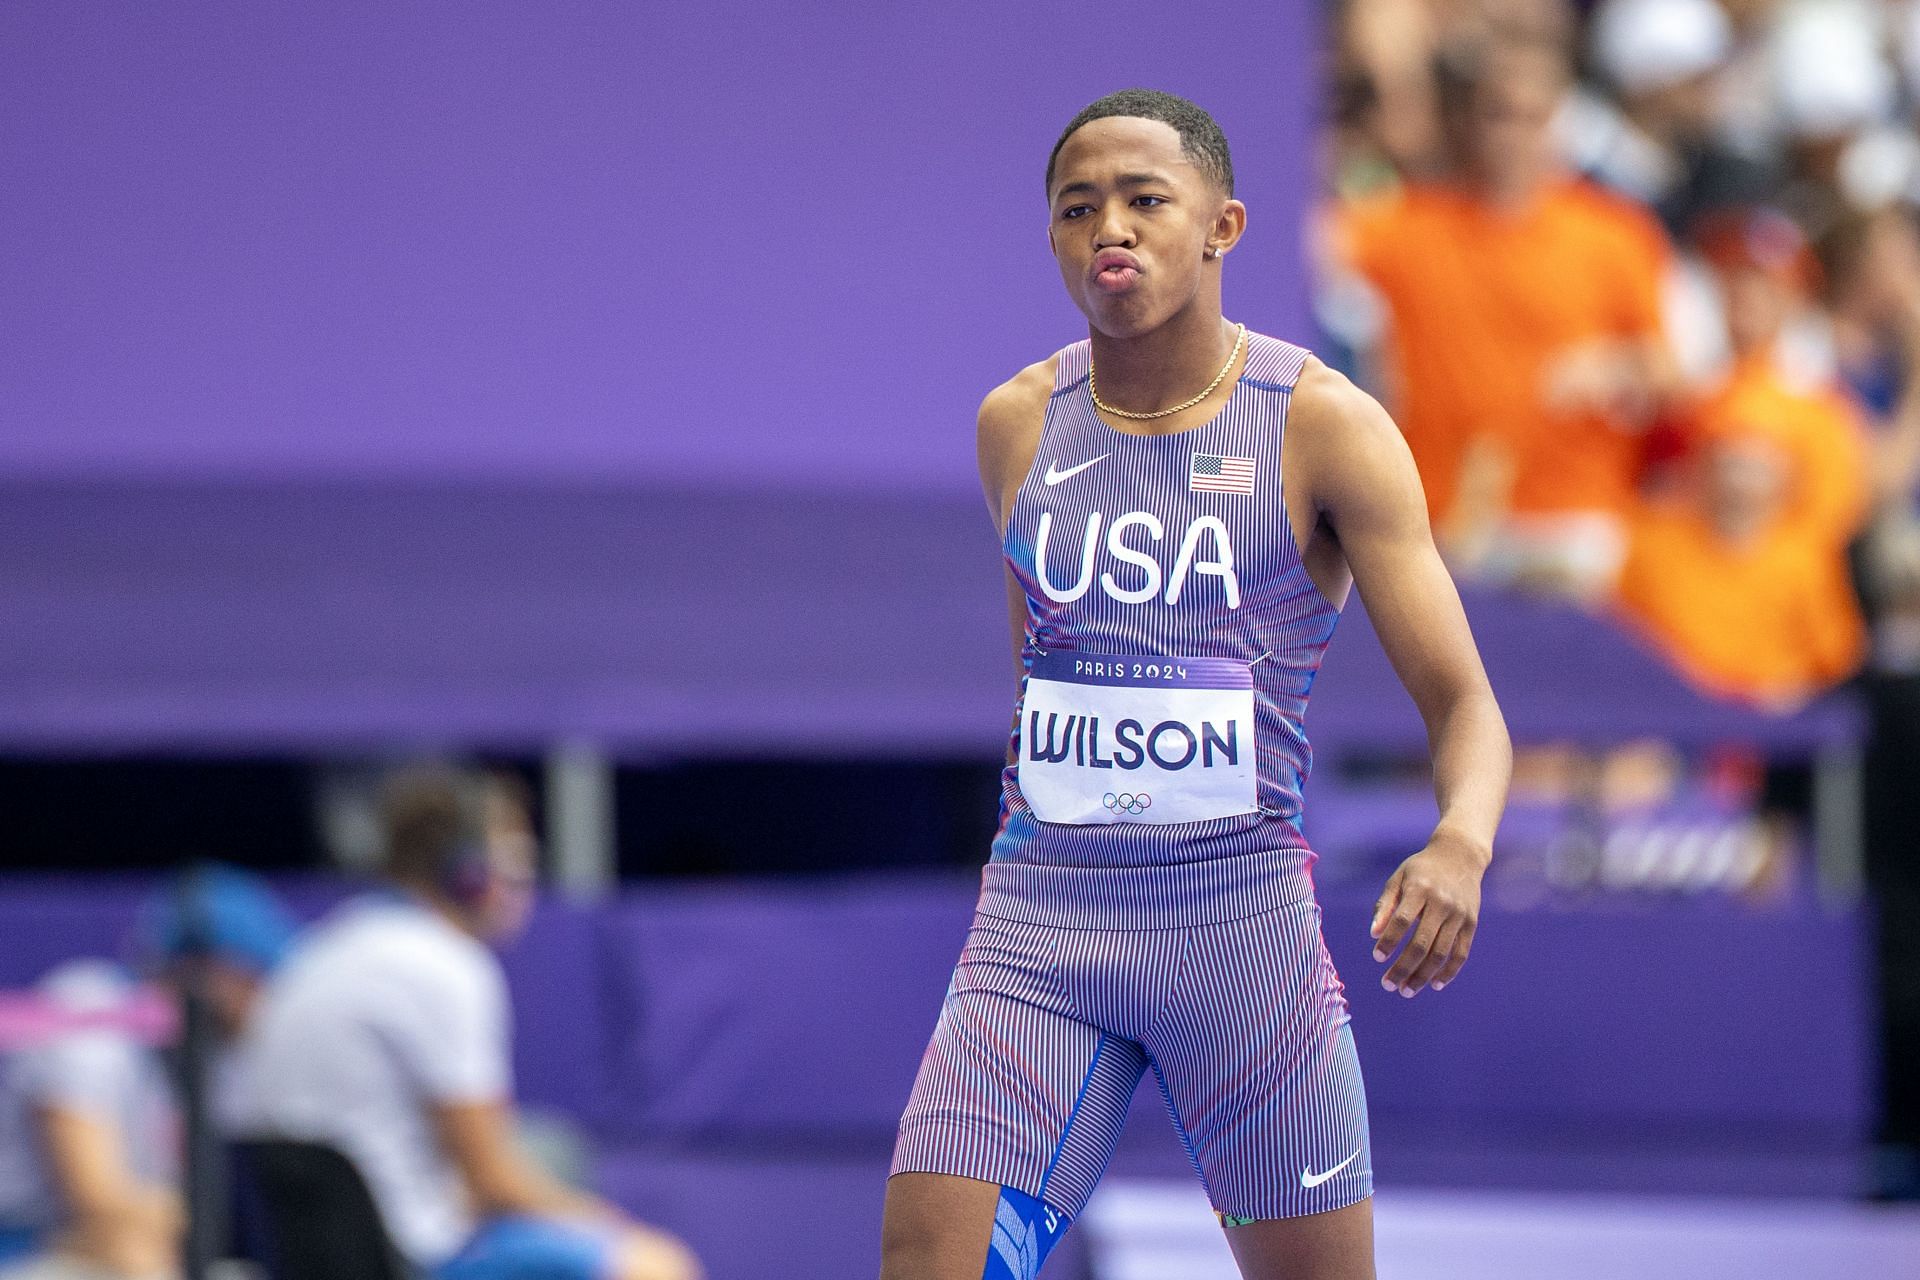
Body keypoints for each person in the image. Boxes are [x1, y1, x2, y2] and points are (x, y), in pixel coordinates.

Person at [881, 90, 1512, 1280]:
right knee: (928, 1257)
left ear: (1223, 225)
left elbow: (1467, 705)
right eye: (1079, 207)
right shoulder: (1017, 424)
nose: (1108, 225)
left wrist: (1462, 843)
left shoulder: (1324, 426)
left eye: (1144, 199)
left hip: (1240, 934)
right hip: (1042, 926)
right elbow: (1046, 676)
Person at [236, 767, 698, 1280]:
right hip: (411, 1259)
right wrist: (603, 1223)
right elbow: (492, 1181)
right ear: (469, 873)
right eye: (516, 860)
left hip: (317, 1254)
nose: (525, 882)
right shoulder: (447, 966)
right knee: (655, 1264)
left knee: (548, 1145)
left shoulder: (330, 944)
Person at [1328, 37, 1677, 600]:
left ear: (1561, 122)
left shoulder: (1614, 233)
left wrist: (1615, 366)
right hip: (1445, 513)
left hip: (1571, 516)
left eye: (1533, 116)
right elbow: (1314, 247)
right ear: (1469, 120)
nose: (1513, 133)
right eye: (1498, 113)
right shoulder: (1409, 223)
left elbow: (1668, 370)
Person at [0, 961, 180, 1280]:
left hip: (75, 1243)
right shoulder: (88, 1014)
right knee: (136, 1256)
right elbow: (99, 1203)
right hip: (20, 1245)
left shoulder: (193, 1051)